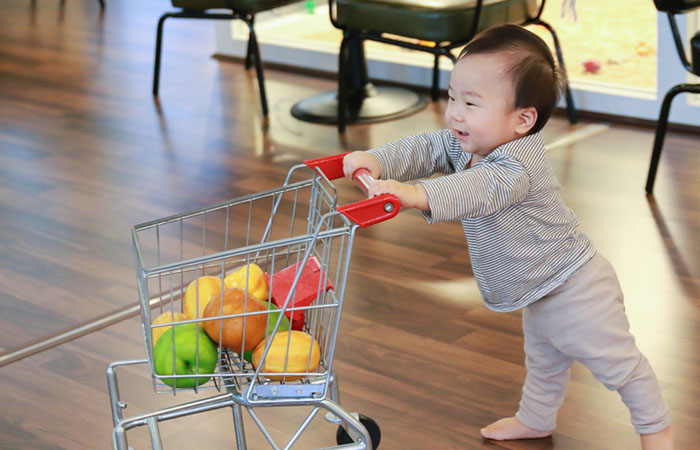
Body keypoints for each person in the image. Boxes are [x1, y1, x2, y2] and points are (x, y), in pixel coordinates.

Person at [342, 24, 673, 449]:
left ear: (523, 119)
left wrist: (415, 194)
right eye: (452, 97)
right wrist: (376, 159)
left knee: (618, 367)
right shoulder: (472, 142)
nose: (456, 113)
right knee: (544, 360)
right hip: (538, 287)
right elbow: (426, 147)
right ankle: (536, 419)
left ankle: (656, 428)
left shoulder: (517, 164)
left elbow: (476, 190)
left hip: (576, 287)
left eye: (471, 103)